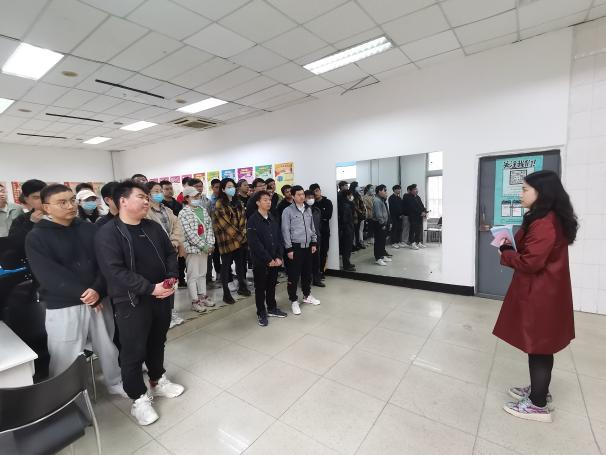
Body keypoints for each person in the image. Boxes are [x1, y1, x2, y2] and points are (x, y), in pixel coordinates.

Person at [95, 180, 184, 427]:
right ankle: (138, 398)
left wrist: (171, 278)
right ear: (123, 201)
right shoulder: (108, 233)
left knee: (157, 340)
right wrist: (150, 288)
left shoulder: (152, 227)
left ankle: (157, 379)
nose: (147, 201)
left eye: (147, 197)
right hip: (131, 301)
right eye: (141, 197)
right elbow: (114, 271)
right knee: (133, 351)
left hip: (161, 296)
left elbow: (170, 253)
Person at [25, 184, 124, 396]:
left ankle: (115, 382)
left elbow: (105, 262)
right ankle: (66, 396)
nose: (70, 206)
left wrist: (98, 290)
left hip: (99, 300)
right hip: (64, 304)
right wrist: (86, 294)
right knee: (65, 353)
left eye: (72, 200)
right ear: (46, 207)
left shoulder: (88, 228)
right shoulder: (37, 236)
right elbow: (49, 275)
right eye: (62, 203)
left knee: (107, 345)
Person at [494, 171, 577, 423]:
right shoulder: (545, 218)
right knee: (541, 345)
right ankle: (539, 390)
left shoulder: (545, 222)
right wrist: (510, 243)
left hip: (541, 293)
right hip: (546, 291)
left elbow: (531, 262)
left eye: (525, 190)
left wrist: (505, 251)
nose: (520, 194)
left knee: (539, 346)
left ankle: (537, 405)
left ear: (542, 193)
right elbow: (532, 250)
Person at [146, 182, 186, 328]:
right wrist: (165, 245)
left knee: (171, 281)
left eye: (160, 191)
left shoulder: (167, 210)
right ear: (148, 194)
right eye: (155, 191)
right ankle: (162, 315)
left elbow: (177, 227)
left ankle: (171, 311)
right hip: (156, 254)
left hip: (171, 252)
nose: (159, 193)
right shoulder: (146, 212)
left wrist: (173, 242)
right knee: (159, 283)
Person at [247, 190, 287, 326]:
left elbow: (279, 238)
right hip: (261, 261)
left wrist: (279, 256)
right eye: (265, 200)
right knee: (260, 288)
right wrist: (268, 259)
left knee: (272, 286)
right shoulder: (253, 220)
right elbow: (254, 243)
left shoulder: (272, 217)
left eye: (269, 200)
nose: (268, 202)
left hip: (275, 260)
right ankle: (261, 312)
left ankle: (272, 308)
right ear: (258, 202)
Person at [281, 185, 320, 315]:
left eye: (303, 194)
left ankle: (307, 295)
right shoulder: (287, 211)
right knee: (293, 276)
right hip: (295, 248)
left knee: (307, 273)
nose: (302, 196)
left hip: (308, 247)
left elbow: (312, 227)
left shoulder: (308, 209)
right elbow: (285, 231)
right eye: (298, 194)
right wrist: (289, 249)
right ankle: (293, 300)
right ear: (293, 196)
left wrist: (314, 242)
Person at [213, 178, 250, 304]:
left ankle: (242, 287)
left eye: (233, 186)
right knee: (226, 267)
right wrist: (241, 237)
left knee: (240, 265)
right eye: (229, 187)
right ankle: (226, 293)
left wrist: (242, 235)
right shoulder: (219, 204)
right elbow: (225, 224)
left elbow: (243, 220)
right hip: (227, 241)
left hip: (240, 240)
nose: (232, 189)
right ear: (223, 189)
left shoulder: (238, 202)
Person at [179, 186, 215, 313]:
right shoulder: (183, 213)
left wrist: (209, 244)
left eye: (198, 196)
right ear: (186, 198)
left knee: (202, 274)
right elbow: (188, 233)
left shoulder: (203, 210)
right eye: (194, 196)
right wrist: (203, 245)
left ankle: (203, 297)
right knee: (193, 276)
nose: (197, 198)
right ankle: (195, 301)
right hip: (193, 249)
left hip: (205, 248)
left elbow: (209, 228)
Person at [5, 179, 46, 266]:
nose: (42, 200)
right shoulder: (22, 220)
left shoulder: (62, 216)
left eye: (45, 196)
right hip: (37, 265)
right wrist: (31, 223)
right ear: (27, 200)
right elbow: (15, 245)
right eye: (36, 197)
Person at [310, 183, 332, 279]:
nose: (316, 193)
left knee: (324, 251)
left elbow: (328, 216)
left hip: (324, 231)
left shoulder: (327, 202)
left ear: (320, 190)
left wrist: (319, 216)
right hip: (313, 233)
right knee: (314, 253)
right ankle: (314, 272)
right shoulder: (311, 204)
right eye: (313, 192)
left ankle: (322, 271)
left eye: (317, 190)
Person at [305, 190, 325, 286]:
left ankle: (317, 279)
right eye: (308, 197)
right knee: (306, 261)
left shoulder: (317, 210)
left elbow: (319, 224)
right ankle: (306, 280)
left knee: (316, 260)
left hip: (316, 238)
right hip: (305, 239)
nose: (311, 199)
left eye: (312, 197)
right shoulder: (301, 210)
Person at [372, 185, 392, 266]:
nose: (386, 192)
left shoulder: (381, 200)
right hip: (379, 224)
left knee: (382, 241)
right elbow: (378, 214)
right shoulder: (377, 200)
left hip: (383, 223)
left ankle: (382, 256)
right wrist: (382, 223)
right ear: (379, 191)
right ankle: (378, 258)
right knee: (379, 241)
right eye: (384, 190)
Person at [403, 184, 427, 250]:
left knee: (418, 230)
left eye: (416, 189)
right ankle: (412, 243)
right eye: (414, 189)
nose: (416, 190)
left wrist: (424, 211)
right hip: (413, 216)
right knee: (412, 230)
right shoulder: (408, 197)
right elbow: (412, 207)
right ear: (411, 191)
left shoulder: (418, 197)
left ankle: (418, 242)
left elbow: (421, 205)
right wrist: (420, 212)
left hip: (419, 216)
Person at [337, 188, 356, 271]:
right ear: (347, 196)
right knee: (347, 248)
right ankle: (346, 265)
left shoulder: (341, 203)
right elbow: (345, 219)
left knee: (346, 247)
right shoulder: (347, 205)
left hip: (345, 229)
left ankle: (347, 263)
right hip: (347, 229)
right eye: (350, 195)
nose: (351, 196)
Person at [350, 181, 366, 251]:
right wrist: (360, 211)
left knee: (357, 230)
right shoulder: (351, 195)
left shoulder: (358, 194)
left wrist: (363, 211)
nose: (358, 187)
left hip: (359, 215)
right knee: (354, 230)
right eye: (357, 186)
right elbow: (354, 205)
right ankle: (353, 245)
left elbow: (361, 204)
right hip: (355, 215)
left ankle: (357, 243)